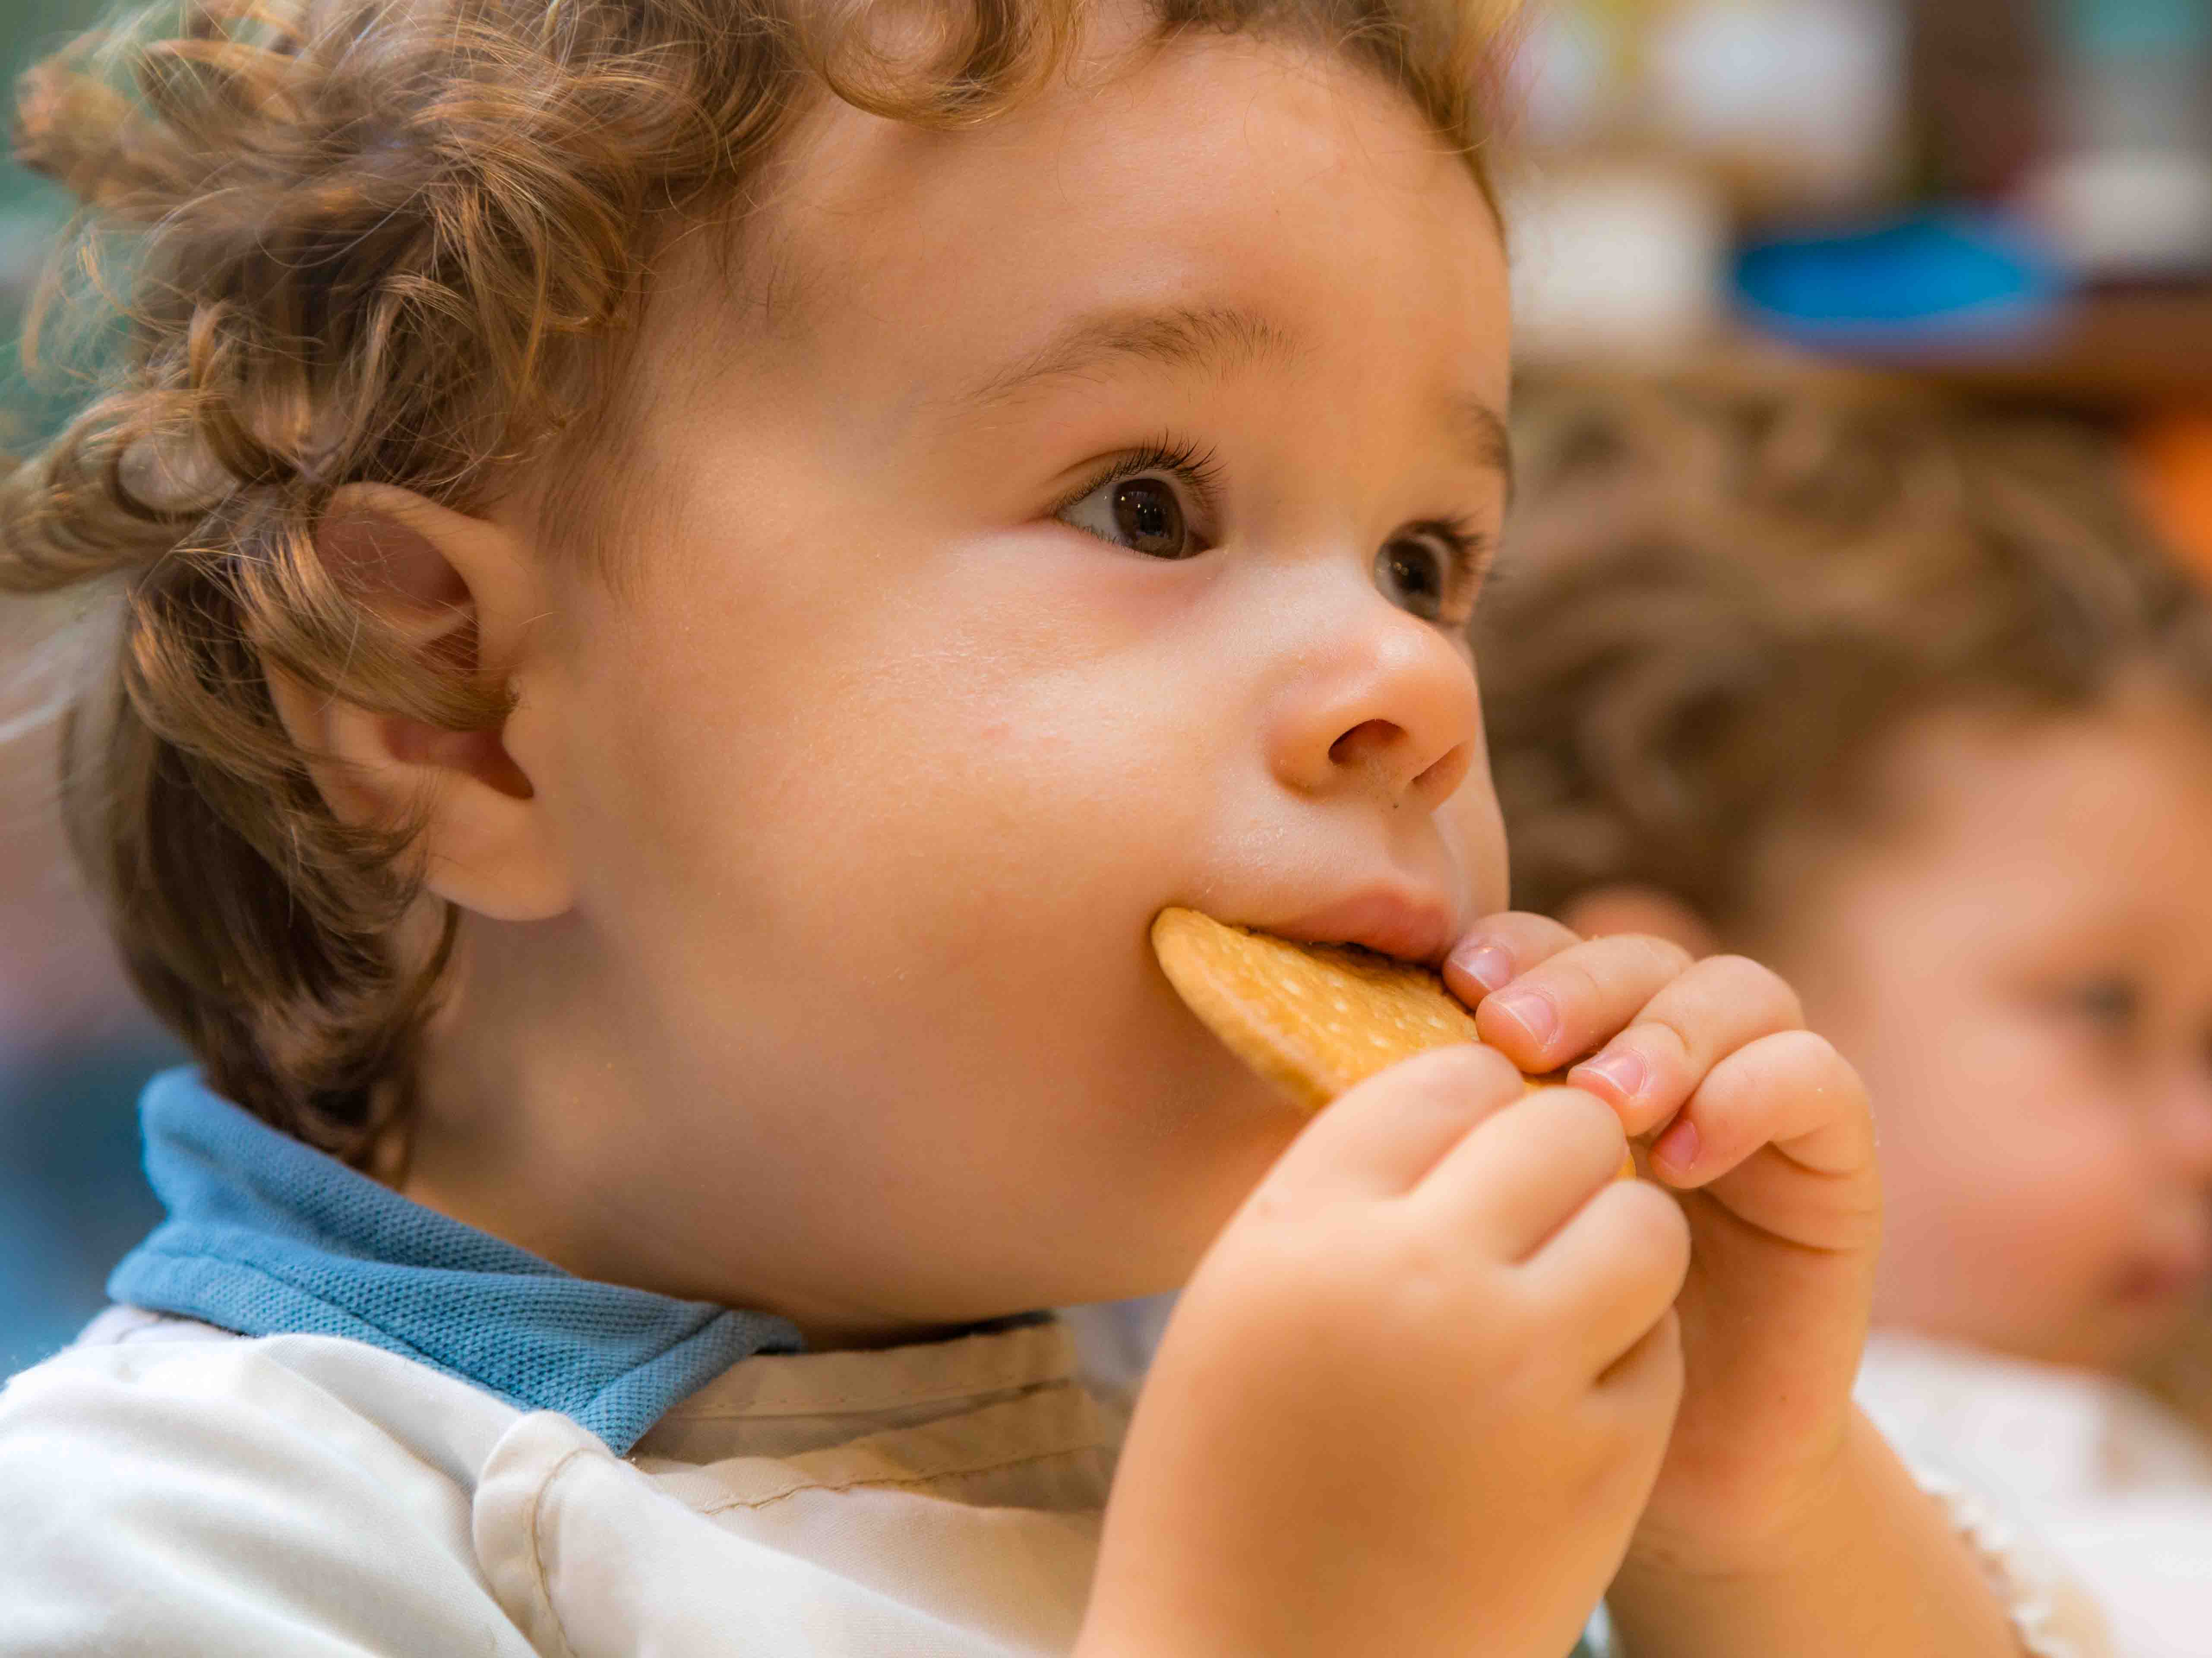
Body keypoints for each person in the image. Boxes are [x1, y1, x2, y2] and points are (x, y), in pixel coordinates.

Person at [0, 4, 2068, 1654]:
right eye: (1147, 504)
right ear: (452, 717)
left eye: (1430, 557)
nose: (1414, 684)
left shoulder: (1350, 1395)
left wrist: (1750, 1514)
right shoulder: (182, 1550)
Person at [1481, 370, 2212, 1655]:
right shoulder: (1700, 1514)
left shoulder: (2166, 1435)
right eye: (2105, 1009)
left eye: (2211, 1037)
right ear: (1669, 1042)